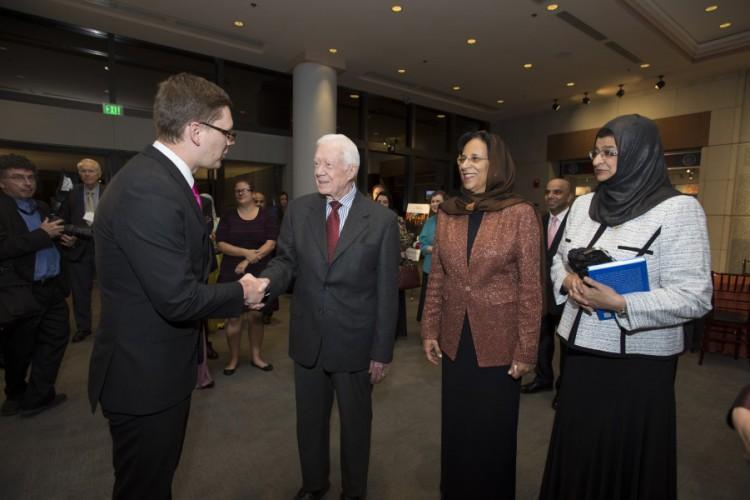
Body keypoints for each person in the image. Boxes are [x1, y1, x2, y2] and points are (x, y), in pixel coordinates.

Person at [88, 73, 268, 500]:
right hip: (142, 377)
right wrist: (242, 292)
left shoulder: (170, 181)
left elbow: (194, 261)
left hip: (158, 368)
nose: (230, 142)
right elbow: (179, 297)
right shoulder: (148, 189)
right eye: (227, 132)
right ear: (196, 130)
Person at [539, 114, 712, 500]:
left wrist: (621, 303)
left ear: (639, 154)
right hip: (580, 356)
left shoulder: (679, 210)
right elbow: (558, 259)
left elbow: (696, 295)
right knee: (580, 451)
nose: (597, 161)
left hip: (638, 366)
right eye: (595, 152)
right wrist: (566, 280)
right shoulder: (582, 206)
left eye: (609, 152)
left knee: (626, 461)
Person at [257, 133, 400, 500]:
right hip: (308, 338)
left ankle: (354, 492)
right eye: (315, 164)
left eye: (327, 165)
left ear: (351, 170)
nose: (318, 172)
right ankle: (314, 484)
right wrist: (264, 284)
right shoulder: (299, 210)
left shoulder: (381, 220)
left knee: (355, 428)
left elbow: (387, 290)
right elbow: (285, 261)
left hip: (356, 343)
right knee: (310, 424)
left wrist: (381, 351)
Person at [420, 131, 542, 499]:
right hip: (456, 340)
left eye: (475, 158)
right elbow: (438, 275)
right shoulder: (449, 213)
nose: (465, 165)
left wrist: (526, 350)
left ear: (496, 165)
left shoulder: (519, 213)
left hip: (499, 343)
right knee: (458, 426)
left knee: (492, 431)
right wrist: (429, 329)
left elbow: (531, 288)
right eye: (462, 158)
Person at [0, 154, 71, 417]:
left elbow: (48, 238)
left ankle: (38, 395)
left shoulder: (41, 207)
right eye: (18, 178)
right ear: (2, 183)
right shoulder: (3, 210)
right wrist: (42, 235)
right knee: (18, 348)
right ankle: (15, 394)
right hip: (20, 290)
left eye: (30, 177)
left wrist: (61, 241)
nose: (26, 183)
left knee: (55, 340)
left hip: (51, 287)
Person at [215, 179, 278, 373]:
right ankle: (233, 359)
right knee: (234, 318)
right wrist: (245, 253)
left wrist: (249, 260)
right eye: (236, 191)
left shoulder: (266, 216)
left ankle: (256, 357)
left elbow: (271, 243)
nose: (240, 193)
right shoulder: (228, 217)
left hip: (260, 272)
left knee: (256, 316)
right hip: (231, 273)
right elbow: (221, 244)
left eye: (244, 190)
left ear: (252, 192)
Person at [521, 178, 574, 407]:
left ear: (569, 197)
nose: (551, 196)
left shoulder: (578, 223)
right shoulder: (538, 221)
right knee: (542, 341)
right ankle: (543, 379)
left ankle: (565, 389)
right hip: (541, 294)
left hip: (566, 294)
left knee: (567, 346)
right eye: (548, 192)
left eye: (558, 192)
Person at [61, 158, 103, 343]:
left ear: (99, 174)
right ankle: (83, 327)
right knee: (80, 292)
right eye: (83, 171)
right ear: (79, 174)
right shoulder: (71, 194)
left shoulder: (111, 191)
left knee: (111, 290)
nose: (87, 174)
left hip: (105, 248)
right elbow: (62, 220)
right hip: (78, 247)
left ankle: (110, 327)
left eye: (91, 171)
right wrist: (65, 237)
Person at [375, 190, 413, 338]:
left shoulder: (396, 219)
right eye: (379, 202)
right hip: (373, 265)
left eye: (385, 202)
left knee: (392, 299)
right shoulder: (369, 218)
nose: (382, 205)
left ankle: (394, 332)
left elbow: (405, 241)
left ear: (389, 204)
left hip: (392, 264)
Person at [416, 190, 445, 322]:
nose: (434, 204)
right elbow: (421, 243)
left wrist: (433, 248)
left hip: (445, 271)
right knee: (428, 305)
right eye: (432, 201)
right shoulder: (429, 221)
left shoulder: (453, 220)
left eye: (438, 201)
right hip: (428, 268)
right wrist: (429, 248)